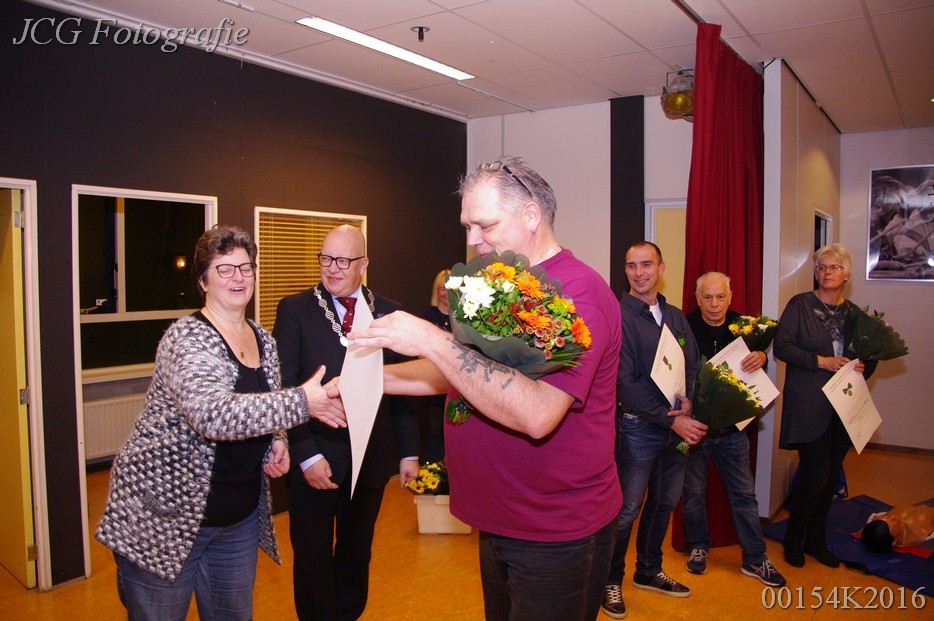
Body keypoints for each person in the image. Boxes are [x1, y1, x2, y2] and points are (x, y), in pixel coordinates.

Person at [350, 157, 623, 621]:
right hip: (500, 517)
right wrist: (368, 382)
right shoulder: (499, 282)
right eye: (467, 226)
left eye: (485, 225)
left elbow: (538, 414)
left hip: (555, 529)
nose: (473, 239)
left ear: (531, 216)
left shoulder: (578, 293)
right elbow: (462, 371)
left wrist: (433, 339)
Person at [95, 224, 346, 621]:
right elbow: (212, 415)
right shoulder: (186, 339)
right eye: (224, 269)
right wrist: (302, 402)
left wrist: (277, 440)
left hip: (236, 518)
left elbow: (260, 403)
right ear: (203, 281)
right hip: (165, 515)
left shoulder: (263, 339)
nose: (238, 277)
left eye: (245, 268)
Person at [273, 224, 420, 621]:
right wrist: (306, 455)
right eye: (325, 258)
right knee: (313, 558)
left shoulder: (389, 311)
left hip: (369, 461)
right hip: (316, 458)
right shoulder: (295, 309)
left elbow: (403, 385)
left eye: (342, 260)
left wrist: (409, 451)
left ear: (364, 264)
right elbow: (284, 387)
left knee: (356, 553)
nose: (332, 268)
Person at [602, 241, 702, 619]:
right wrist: (671, 417)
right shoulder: (619, 316)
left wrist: (689, 400)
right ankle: (610, 579)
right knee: (627, 510)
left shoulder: (675, 317)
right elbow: (623, 382)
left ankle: (648, 570)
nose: (639, 272)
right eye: (631, 266)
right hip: (636, 429)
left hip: (675, 429)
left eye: (646, 264)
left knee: (664, 503)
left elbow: (692, 365)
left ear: (661, 267)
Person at [773, 243, 877, 568]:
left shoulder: (855, 314)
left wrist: (864, 366)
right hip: (809, 405)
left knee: (831, 477)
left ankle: (815, 539)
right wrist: (823, 361)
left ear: (847, 274)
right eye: (821, 267)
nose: (826, 272)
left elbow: (869, 357)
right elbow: (782, 348)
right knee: (815, 476)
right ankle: (794, 538)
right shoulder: (800, 305)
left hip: (843, 407)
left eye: (834, 267)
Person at [681, 272, 786, 587]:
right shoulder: (684, 326)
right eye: (707, 297)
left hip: (732, 431)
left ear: (730, 296)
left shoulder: (746, 328)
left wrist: (762, 356)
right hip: (694, 429)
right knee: (692, 494)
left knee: (743, 495)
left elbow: (757, 367)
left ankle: (754, 557)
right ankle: (698, 546)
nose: (714, 304)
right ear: (697, 299)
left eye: (720, 297)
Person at [419, 269, 452, 462]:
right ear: (436, 291)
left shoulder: (462, 318)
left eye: (450, 288)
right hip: (433, 385)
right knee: (435, 431)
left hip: (456, 386)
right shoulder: (427, 316)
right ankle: (434, 471)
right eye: (442, 289)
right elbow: (421, 352)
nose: (446, 293)